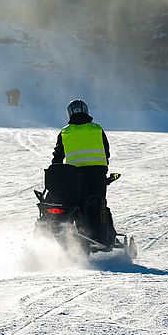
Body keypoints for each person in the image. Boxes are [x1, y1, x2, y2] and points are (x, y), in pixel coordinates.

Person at [50, 98, 115, 247]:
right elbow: (106, 151)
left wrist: (56, 172)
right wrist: (104, 168)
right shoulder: (97, 129)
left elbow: (58, 156)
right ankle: (100, 235)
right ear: (86, 111)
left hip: (73, 175)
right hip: (96, 174)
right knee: (97, 203)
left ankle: (71, 229)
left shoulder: (65, 132)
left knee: (72, 201)